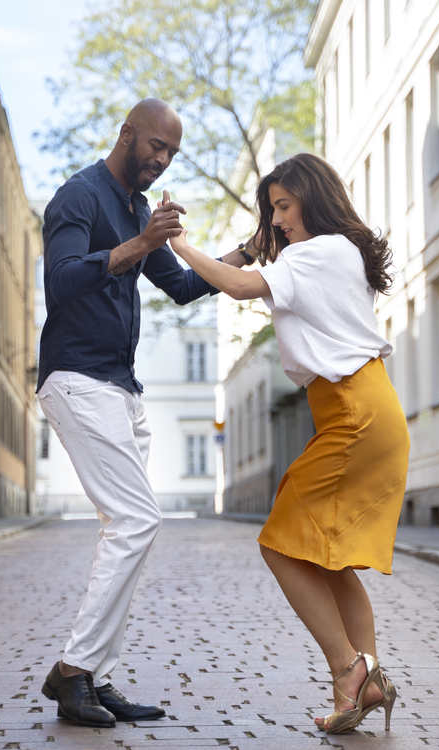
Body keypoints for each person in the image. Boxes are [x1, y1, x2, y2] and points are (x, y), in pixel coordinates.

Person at [166, 153, 408, 733]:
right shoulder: (335, 254)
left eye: (283, 207)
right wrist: (255, 241)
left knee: (280, 543)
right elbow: (260, 267)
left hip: (351, 412)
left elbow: (239, 286)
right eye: (271, 210)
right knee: (329, 555)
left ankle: (347, 671)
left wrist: (178, 245)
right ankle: (364, 682)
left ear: (312, 200)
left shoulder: (316, 252)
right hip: (365, 410)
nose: (277, 221)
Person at [36, 99, 254, 727]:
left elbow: (183, 288)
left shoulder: (136, 209)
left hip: (122, 388)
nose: (161, 160)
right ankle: (73, 673)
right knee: (137, 519)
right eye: (155, 146)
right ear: (126, 134)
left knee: (128, 532)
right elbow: (62, 281)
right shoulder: (77, 196)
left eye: (172, 154)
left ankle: (94, 675)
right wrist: (139, 242)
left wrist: (243, 252)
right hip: (77, 378)